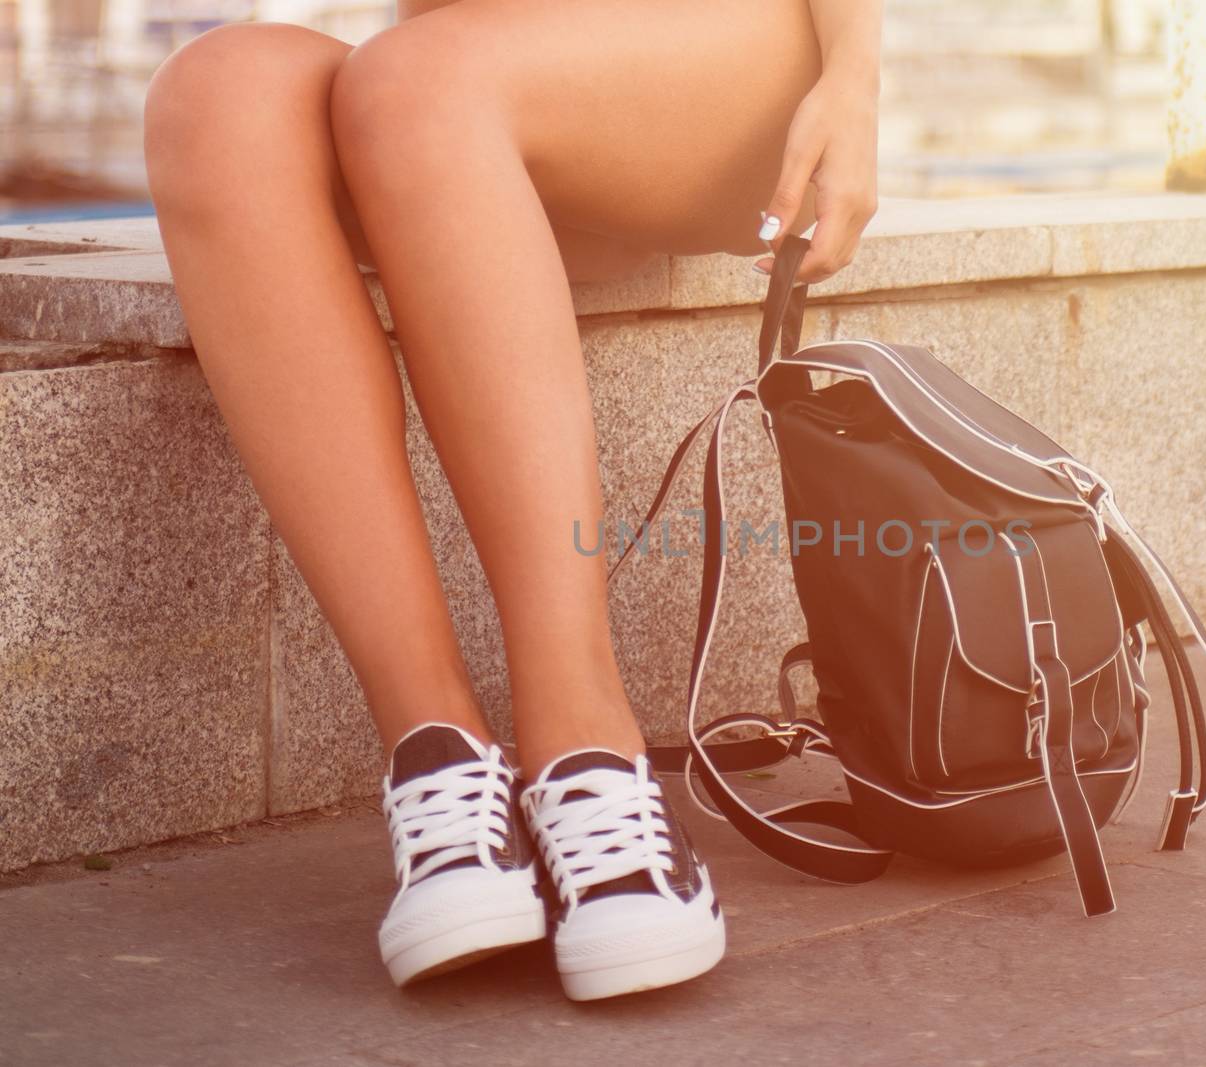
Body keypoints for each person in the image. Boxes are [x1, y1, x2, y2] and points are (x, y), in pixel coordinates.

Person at [140, 0, 881, 1001]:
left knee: (419, 79)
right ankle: (437, 759)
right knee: (216, 94)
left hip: (716, 72)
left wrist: (856, 78)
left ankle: (587, 747)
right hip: (450, 90)